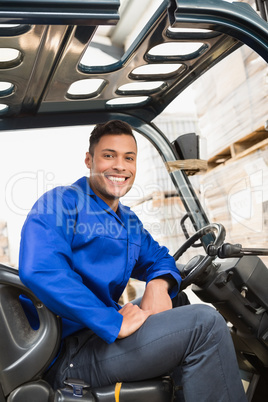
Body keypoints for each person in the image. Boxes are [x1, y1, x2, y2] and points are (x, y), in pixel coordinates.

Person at [19, 120, 247, 401]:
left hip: (98, 339)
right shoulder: (60, 204)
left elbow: (159, 258)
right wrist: (112, 320)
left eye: (129, 158)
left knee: (179, 303)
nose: (120, 166)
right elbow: (41, 269)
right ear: (89, 160)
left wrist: (159, 284)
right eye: (108, 155)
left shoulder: (127, 221)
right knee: (206, 325)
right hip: (68, 353)